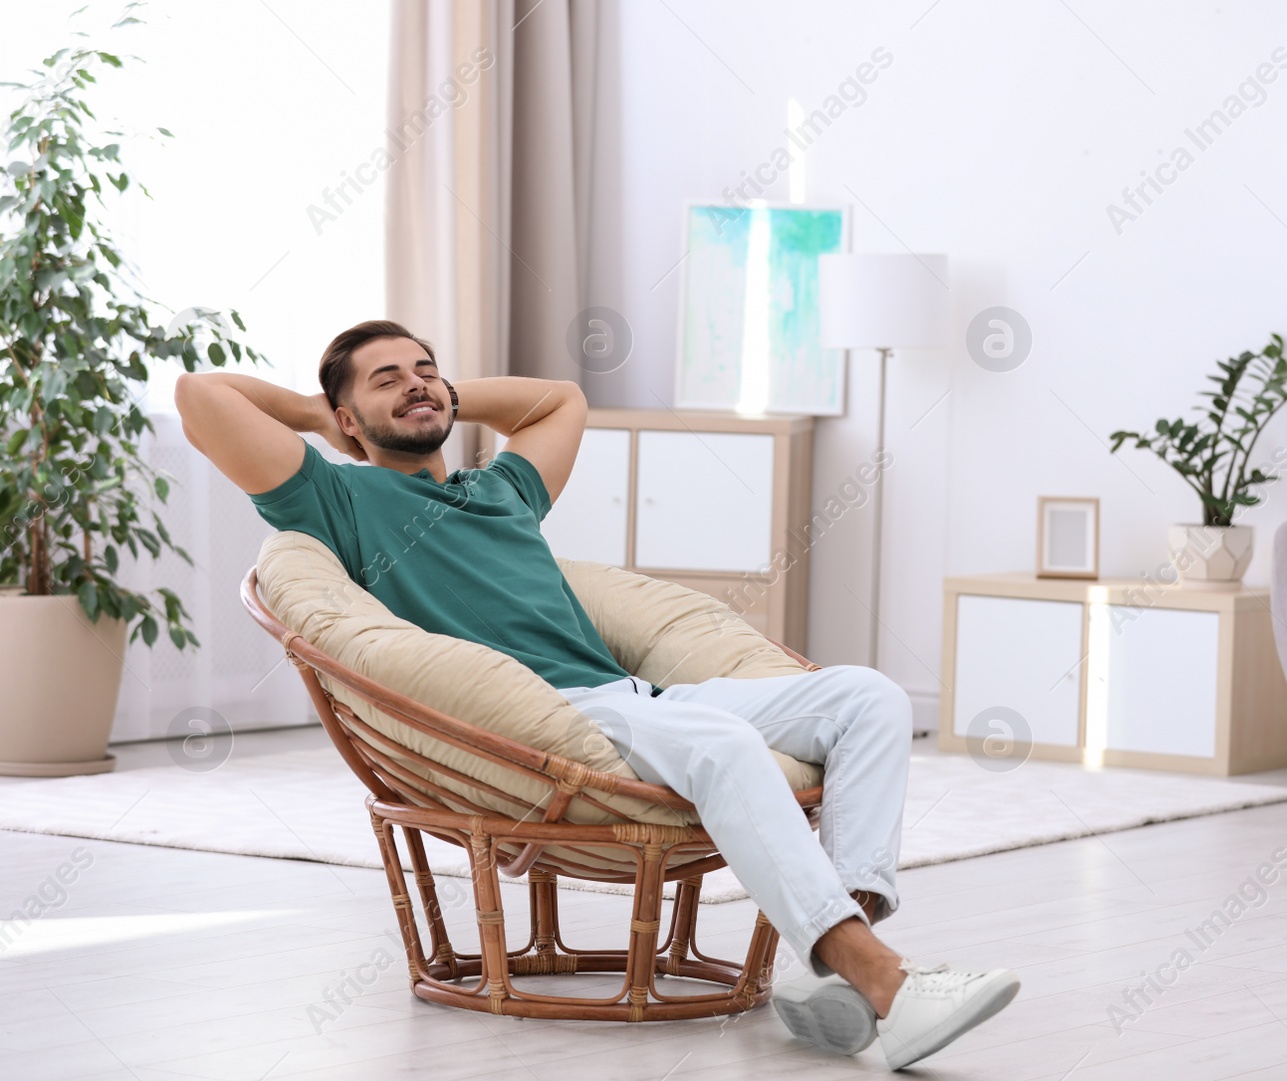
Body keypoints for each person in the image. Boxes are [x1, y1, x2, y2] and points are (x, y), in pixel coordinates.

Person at [174, 319, 1019, 1069]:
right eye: (386, 377)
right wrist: (316, 415)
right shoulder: (338, 496)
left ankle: (843, 956)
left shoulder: (498, 490)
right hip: (554, 716)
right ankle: (891, 983)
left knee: (868, 696)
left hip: (637, 697)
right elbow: (199, 394)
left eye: (426, 367)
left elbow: (560, 399)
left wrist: (446, 393)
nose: (417, 382)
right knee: (726, 750)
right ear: (349, 417)